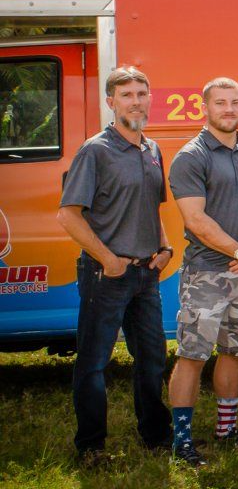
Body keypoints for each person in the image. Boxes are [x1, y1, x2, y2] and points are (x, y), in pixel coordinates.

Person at [56, 66, 174, 465]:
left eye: (142, 92)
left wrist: (165, 246)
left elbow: (152, 207)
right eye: (127, 95)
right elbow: (68, 215)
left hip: (146, 274)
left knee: (153, 359)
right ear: (111, 102)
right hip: (106, 274)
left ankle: (157, 437)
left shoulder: (152, 149)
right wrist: (108, 260)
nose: (136, 100)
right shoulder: (96, 150)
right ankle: (90, 447)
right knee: (93, 363)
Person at [164, 77, 238, 466]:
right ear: (205, 108)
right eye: (221, 103)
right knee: (193, 355)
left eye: (236, 102)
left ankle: (226, 431)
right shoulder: (191, 156)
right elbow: (196, 220)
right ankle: (181, 442)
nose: (229, 109)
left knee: (235, 353)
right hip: (207, 274)